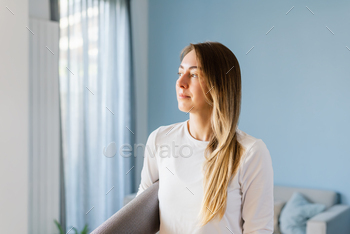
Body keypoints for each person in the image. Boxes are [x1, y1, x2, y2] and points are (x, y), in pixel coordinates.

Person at [136, 41, 274, 234]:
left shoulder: (251, 152)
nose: (180, 82)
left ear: (219, 85)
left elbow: (259, 230)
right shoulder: (159, 139)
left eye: (193, 74)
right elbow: (140, 216)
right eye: (180, 72)